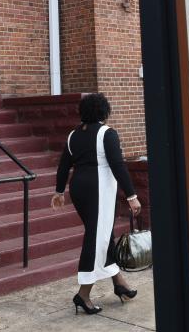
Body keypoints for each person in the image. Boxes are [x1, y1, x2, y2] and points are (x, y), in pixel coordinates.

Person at [51, 93, 140, 315]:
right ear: (104, 111)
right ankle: (83, 294)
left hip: (79, 187)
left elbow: (64, 166)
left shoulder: (73, 135)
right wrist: (131, 195)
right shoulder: (106, 133)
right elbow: (118, 166)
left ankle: (119, 283)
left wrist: (59, 191)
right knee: (96, 238)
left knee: (101, 234)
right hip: (98, 188)